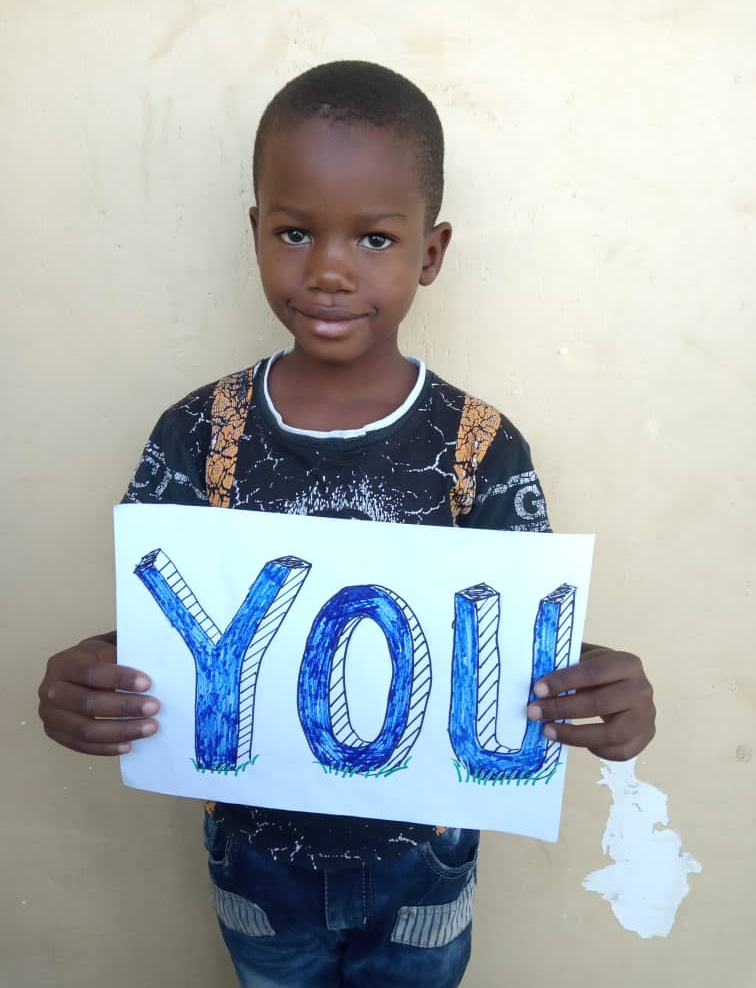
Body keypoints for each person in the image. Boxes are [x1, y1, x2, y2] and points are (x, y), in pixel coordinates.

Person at [38, 61, 655, 987]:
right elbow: (179, 640)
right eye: (295, 232)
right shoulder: (198, 434)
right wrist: (94, 679)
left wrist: (598, 690)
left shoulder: (478, 448)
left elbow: (513, 646)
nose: (329, 269)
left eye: (374, 238)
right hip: (254, 859)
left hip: (426, 863)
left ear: (431, 254)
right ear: (255, 232)